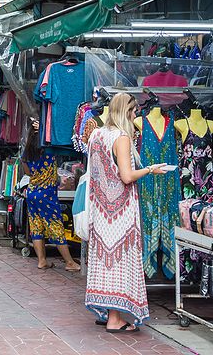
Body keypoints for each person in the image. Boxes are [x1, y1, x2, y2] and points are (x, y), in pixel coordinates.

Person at [85, 92, 167, 332]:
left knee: (104, 262)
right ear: (126, 112)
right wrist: (150, 169)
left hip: (100, 209)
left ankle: (106, 312)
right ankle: (114, 319)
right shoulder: (121, 138)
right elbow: (127, 176)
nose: (135, 115)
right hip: (120, 211)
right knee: (119, 262)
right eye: (133, 111)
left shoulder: (96, 134)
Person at [21, 119, 81, 271]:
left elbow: (27, 172)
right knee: (56, 227)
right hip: (47, 194)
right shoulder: (48, 150)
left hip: (32, 192)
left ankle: (42, 261)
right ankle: (69, 262)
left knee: (36, 227)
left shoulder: (26, 152)